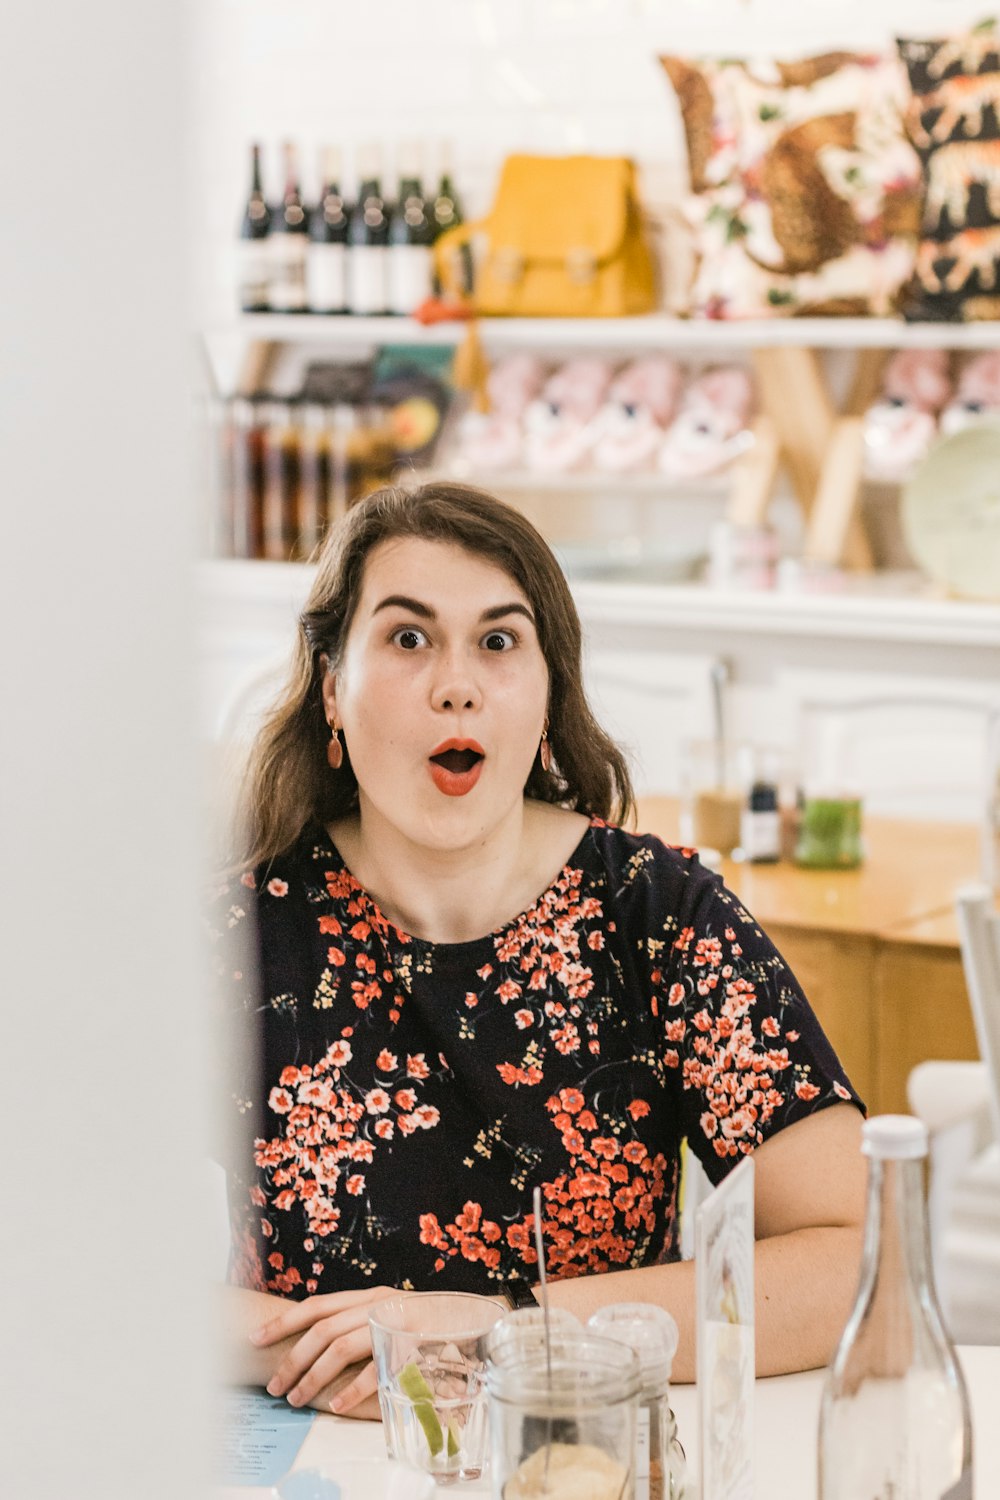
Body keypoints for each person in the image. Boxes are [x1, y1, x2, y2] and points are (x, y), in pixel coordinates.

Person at [208, 480, 866, 1421]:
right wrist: (349, 1348)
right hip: (302, 1450)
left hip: (583, 1452)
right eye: (406, 637)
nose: (456, 683)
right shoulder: (231, 935)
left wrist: (507, 1332)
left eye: (499, 641)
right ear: (332, 693)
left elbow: (853, 1256)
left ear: (549, 695)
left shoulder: (660, 914)